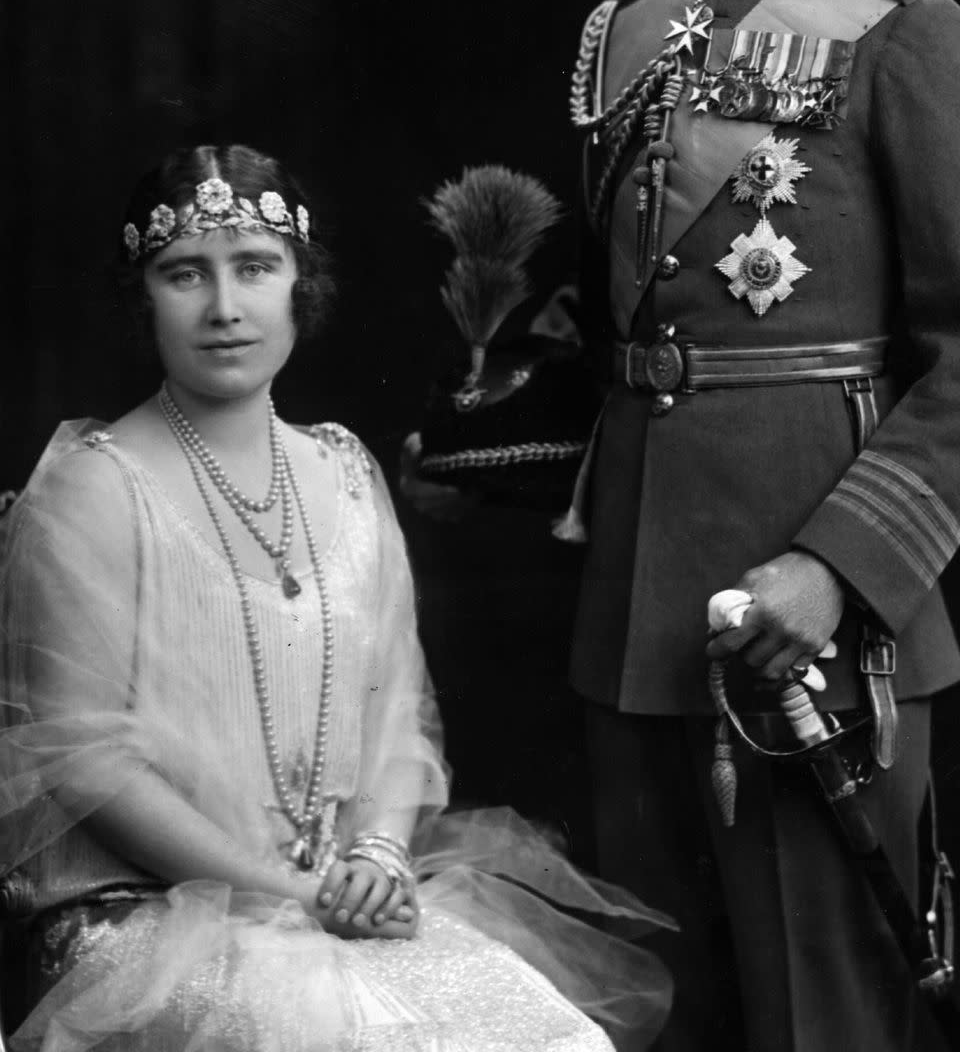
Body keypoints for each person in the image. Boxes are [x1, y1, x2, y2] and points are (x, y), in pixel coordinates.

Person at [0, 145, 672, 1052]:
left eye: (256, 268)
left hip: (336, 899)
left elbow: (397, 715)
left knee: (556, 1041)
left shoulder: (349, 472)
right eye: (184, 273)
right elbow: (87, 765)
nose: (225, 307)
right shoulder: (93, 486)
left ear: (298, 286)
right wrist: (295, 896)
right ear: (142, 296)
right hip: (144, 920)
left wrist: (380, 855)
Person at [566, 0, 960, 1052]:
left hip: (813, 611)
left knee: (823, 1023)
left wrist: (840, 565)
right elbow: (623, 322)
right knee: (654, 1018)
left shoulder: (895, 26)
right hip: (634, 609)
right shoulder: (620, 30)